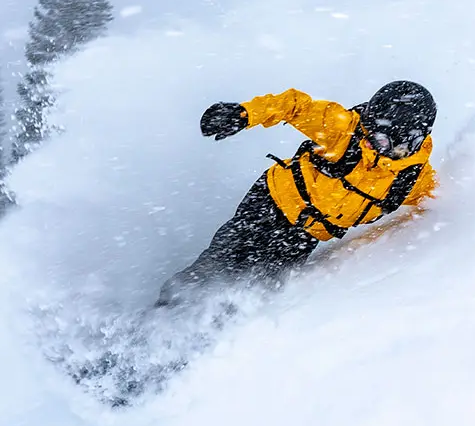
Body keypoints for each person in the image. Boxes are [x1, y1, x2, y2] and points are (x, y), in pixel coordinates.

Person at [157, 80, 437, 306]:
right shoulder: (342, 128)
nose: (379, 147)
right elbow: (293, 106)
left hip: (305, 235)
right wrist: (243, 114)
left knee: (265, 282)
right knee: (222, 260)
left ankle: (212, 332)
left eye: (392, 142)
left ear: (415, 139)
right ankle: (165, 311)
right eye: (376, 135)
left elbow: (444, 202)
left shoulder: (411, 178)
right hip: (271, 203)